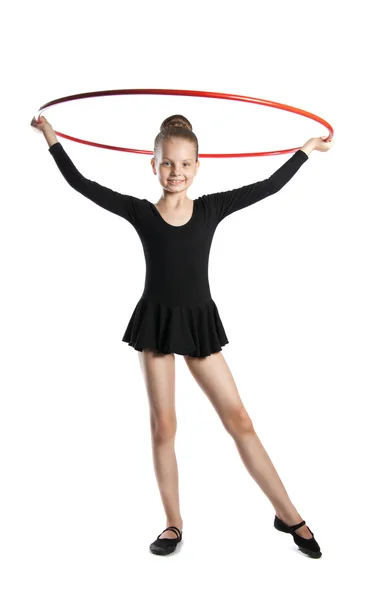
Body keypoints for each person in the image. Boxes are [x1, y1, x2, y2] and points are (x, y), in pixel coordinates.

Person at [31, 112, 334, 557]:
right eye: (167, 163)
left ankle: (288, 514)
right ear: (152, 165)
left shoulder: (211, 208)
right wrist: (51, 137)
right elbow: (82, 183)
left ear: (198, 165)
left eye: (185, 164)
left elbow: (268, 186)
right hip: (155, 323)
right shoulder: (140, 211)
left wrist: (306, 149)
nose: (176, 172)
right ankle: (173, 523)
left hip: (198, 322)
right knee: (164, 427)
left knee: (240, 421)